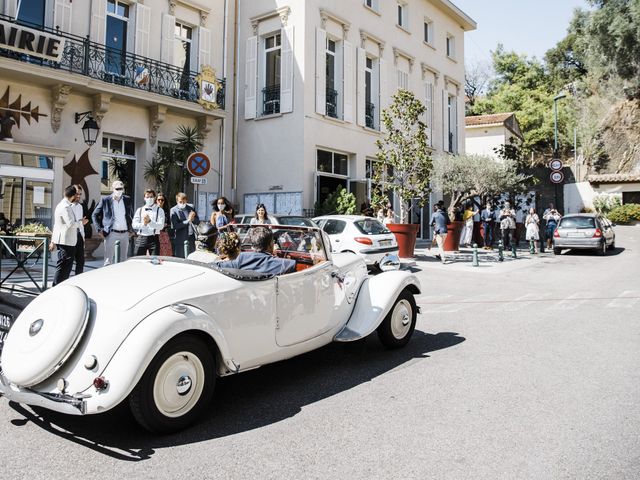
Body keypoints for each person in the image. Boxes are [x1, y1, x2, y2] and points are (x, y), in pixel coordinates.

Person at [218, 226, 296, 275]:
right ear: (270, 245)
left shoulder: (241, 259)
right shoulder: (284, 263)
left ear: (252, 246)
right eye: (273, 242)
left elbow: (215, 266)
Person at [52, 185, 88, 285]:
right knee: (64, 266)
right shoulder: (65, 206)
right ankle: (57, 286)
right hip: (66, 240)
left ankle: (62, 285)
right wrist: (81, 222)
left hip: (72, 238)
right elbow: (71, 224)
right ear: (72, 195)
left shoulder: (63, 205)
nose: (78, 196)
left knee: (68, 265)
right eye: (77, 194)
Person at [92, 180, 134, 265]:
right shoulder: (105, 200)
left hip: (125, 233)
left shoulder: (127, 199)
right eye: (117, 189)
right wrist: (99, 229)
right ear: (113, 189)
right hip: (111, 232)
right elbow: (94, 215)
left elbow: (130, 214)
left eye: (121, 188)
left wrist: (131, 229)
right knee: (108, 260)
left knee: (124, 260)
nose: (119, 191)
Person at [132, 189, 165, 256]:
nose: (149, 199)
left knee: (154, 261)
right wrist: (143, 224)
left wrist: (150, 222)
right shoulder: (140, 210)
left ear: (154, 197)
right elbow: (134, 225)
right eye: (147, 197)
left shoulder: (160, 210)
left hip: (154, 238)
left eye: (151, 197)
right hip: (141, 237)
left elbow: (161, 226)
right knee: (138, 261)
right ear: (144, 198)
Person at [170, 192, 199, 258]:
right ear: (177, 201)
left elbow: (197, 221)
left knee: (191, 258)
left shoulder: (191, 207)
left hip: (191, 237)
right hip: (180, 239)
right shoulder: (173, 210)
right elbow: (175, 226)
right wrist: (188, 221)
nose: (182, 203)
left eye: (184, 202)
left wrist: (192, 219)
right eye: (180, 202)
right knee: (181, 259)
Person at [70, 185, 87, 275]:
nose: (79, 196)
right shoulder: (67, 206)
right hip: (70, 236)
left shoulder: (80, 207)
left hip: (79, 236)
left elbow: (81, 224)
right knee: (68, 262)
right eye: (77, 194)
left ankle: (78, 279)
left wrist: (83, 237)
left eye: (80, 194)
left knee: (81, 261)